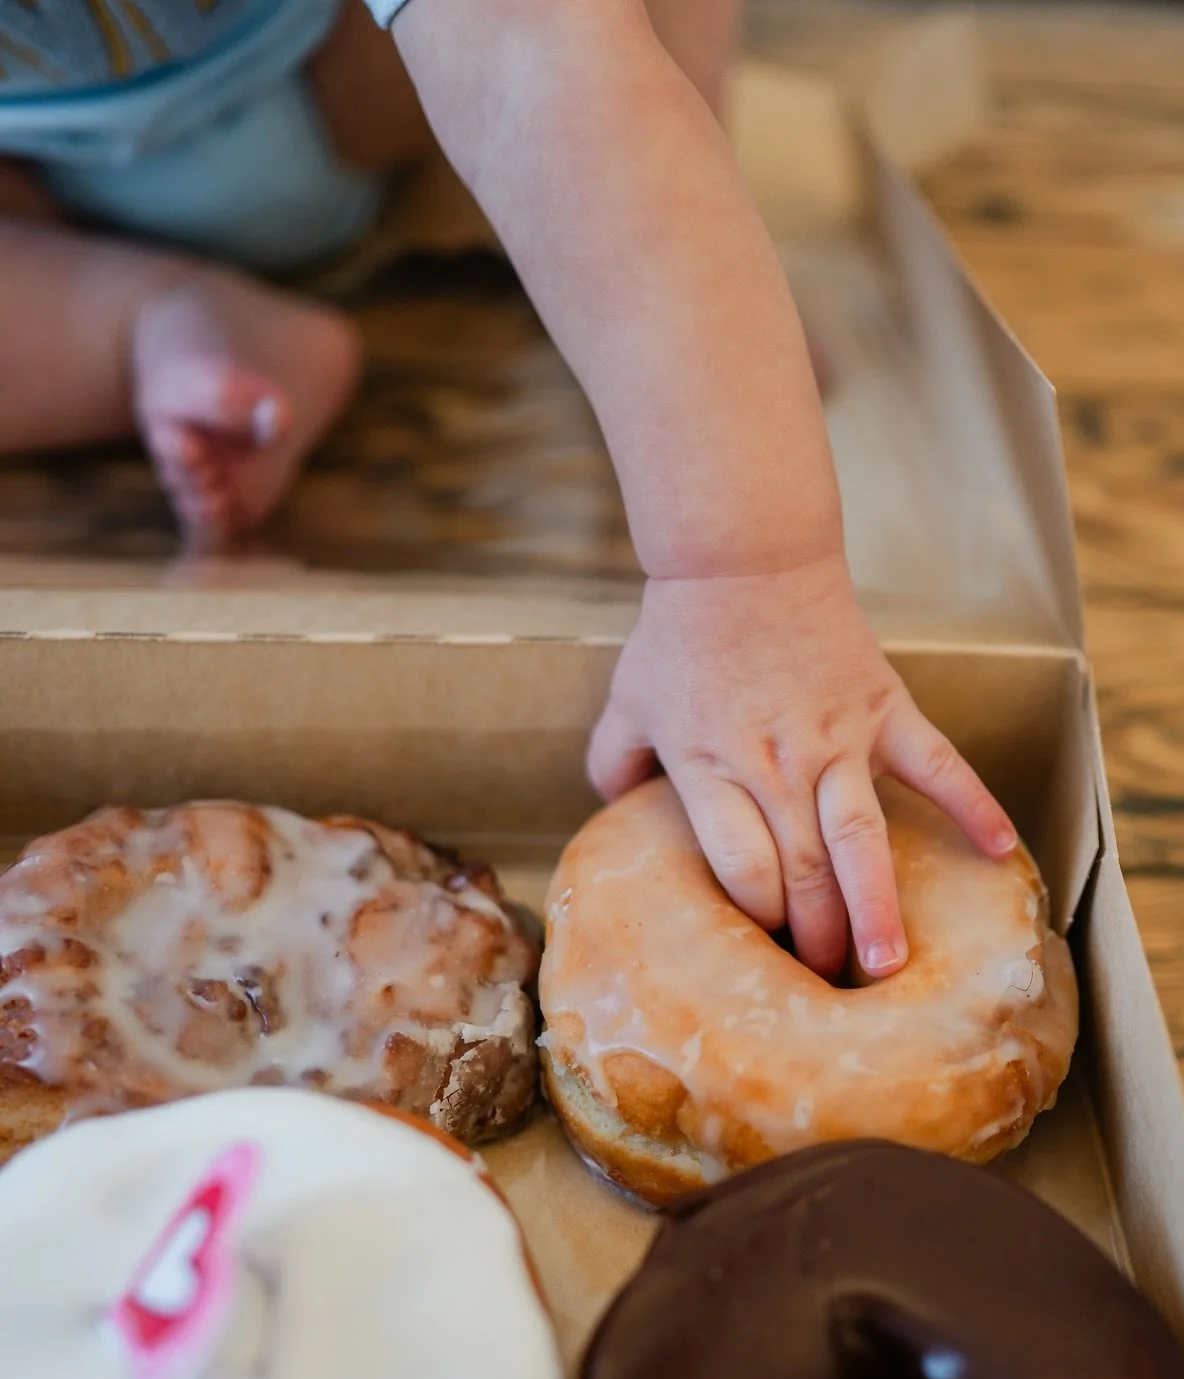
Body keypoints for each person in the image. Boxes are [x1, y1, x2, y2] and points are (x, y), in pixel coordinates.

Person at [0, 0, 1016, 980]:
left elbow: (538, 53)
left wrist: (751, 577)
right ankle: (142, 318)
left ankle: (698, 274)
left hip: (354, 82)